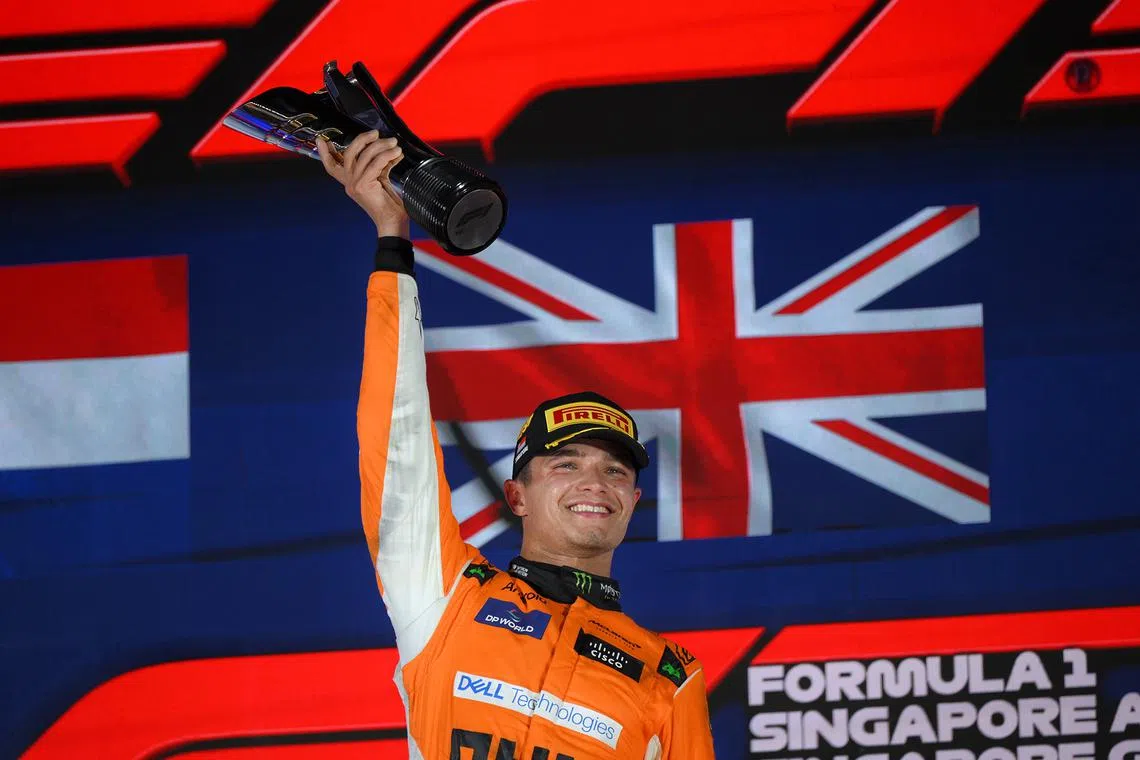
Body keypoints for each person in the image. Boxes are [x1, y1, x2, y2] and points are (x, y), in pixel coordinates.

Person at [318, 131, 716, 760]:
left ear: (633, 500)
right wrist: (392, 237)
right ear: (516, 495)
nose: (595, 482)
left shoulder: (669, 675)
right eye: (566, 463)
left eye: (615, 470)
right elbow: (396, 440)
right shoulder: (446, 595)